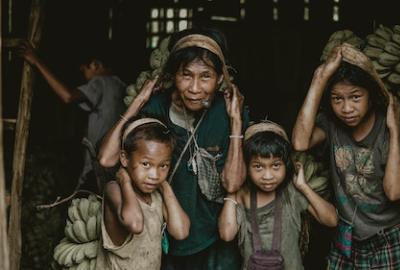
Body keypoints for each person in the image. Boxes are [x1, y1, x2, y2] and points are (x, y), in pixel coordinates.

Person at [98, 28, 249, 269]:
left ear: (220, 79)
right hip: (165, 235)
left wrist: (236, 122)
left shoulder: (227, 112)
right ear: (173, 74)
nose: (195, 88)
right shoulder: (158, 106)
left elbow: (232, 184)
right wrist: (139, 101)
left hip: (215, 237)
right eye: (186, 75)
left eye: (206, 77)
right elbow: (107, 159)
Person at [292, 44, 400, 269]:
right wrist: (319, 78)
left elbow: (395, 191)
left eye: (355, 97)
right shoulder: (331, 125)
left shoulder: (389, 127)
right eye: (337, 99)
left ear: (371, 96)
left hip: (390, 238)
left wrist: (393, 128)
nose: (346, 108)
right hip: (347, 238)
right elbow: (300, 142)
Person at [218, 121, 337, 270]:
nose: (268, 176)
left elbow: (331, 220)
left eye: (275, 165)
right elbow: (227, 234)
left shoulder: (291, 193)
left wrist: (303, 187)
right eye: (258, 166)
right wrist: (232, 189)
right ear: (247, 167)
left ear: (286, 165)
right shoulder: (242, 195)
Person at [18, 42, 126, 189]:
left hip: (98, 169)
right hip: (115, 166)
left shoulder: (100, 82)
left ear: (95, 64)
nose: (85, 78)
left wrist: (36, 61)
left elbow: (67, 96)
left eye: (84, 71)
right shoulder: (121, 86)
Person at [96, 117, 190, 269]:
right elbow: (135, 224)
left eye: (163, 166)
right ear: (125, 158)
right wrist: (125, 182)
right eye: (146, 164)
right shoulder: (114, 189)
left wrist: (165, 187)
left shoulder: (157, 197)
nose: (154, 174)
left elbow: (181, 232)